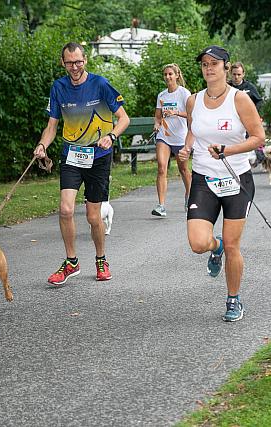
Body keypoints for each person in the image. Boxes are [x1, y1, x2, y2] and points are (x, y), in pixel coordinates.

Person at [178, 45, 264, 322]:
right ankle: (213, 251)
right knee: (198, 242)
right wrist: (188, 148)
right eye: (204, 64)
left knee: (231, 244)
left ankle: (233, 299)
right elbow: (195, 130)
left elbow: (258, 138)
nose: (209, 68)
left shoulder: (240, 100)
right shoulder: (193, 101)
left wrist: (228, 150)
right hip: (204, 178)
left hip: (237, 178)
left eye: (214, 63)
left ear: (226, 67)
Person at [33, 42, 130, 285]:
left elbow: (123, 118)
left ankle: (101, 259)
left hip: (98, 157)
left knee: (93, 216)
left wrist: (111, 136)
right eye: (69, 62)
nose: (74, 67)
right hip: (72, 156)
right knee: (65, 209)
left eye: (78, 62)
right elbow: (52, 126)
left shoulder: (100, 84)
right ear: (63, 63)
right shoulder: (59, 87)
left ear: (85, 60)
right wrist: (42, 145)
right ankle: (71, 262)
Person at [152, 63, 192, 217]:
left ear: (177, 75)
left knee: (183, 169)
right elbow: (157, 116)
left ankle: (189, 196)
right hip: (164, 136)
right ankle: (161, 205)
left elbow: (191, 115)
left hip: (181, 137)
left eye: (170, 74)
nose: (168, 77)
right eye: (165, 74)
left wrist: (176, 112)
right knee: (162, 168)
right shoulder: (162, 95)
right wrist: (157, 124)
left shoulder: (184, 93)